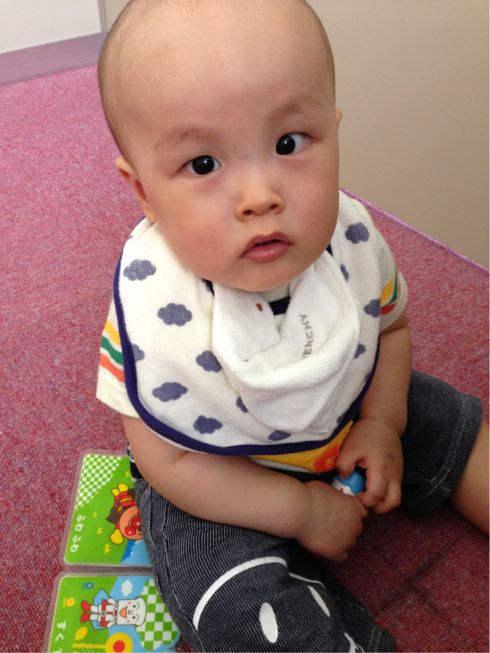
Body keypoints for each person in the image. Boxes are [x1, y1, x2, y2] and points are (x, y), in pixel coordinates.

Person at [96, 1, 489, 650]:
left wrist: (381, 421)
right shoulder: (154, 305)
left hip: (346, 406)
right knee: (224, 601)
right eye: (203, 164)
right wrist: (299, 510)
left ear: (333, 131)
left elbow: (390, 329)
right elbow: (168, 457)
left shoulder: (350, 238)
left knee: (449, 422)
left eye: (289, 144)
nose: (260, 196)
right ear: (143, 192)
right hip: (221, 472)